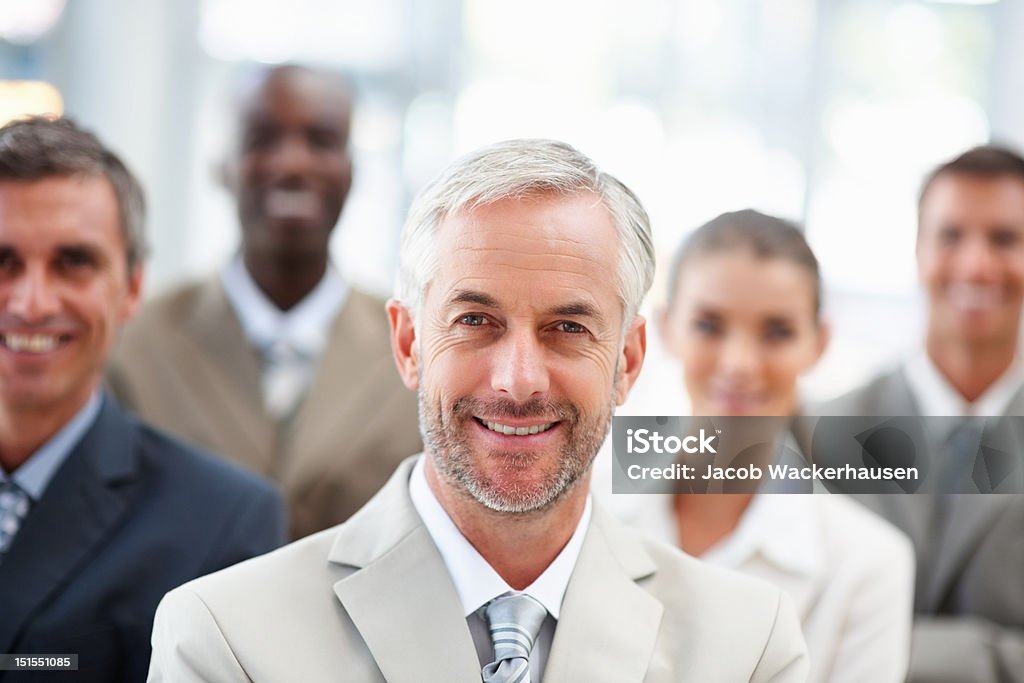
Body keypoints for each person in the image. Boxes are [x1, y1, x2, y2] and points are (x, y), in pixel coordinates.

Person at [147, 139, 809, 682]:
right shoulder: (224, 637)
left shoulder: (749, 647)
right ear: (408, 344)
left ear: (629, 362)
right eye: (476, 320)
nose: (518, 380)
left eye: (568, 327)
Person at [0, 117, 285, 682]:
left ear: (132, 287)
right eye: (3, 262)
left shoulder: (224, 523)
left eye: (73, 262)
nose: (31, 303)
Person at [108, 64, 421, 539]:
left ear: (351, 171)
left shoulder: (418, 349)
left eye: (321, 140)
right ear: (221, 166)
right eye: (262, 139)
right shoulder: (134, 345)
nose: (293, 164)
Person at [609, 210, 913, 683]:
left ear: (819, 342)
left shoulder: (868, 566)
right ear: (665, 329)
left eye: (777, 332)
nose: (740, 363)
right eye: (709, 325)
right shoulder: (588, 508)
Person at [824, 146, 1024, 682]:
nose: (976, 265)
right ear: (917, 250)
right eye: (951, 236)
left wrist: (875, 648)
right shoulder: (820, 429)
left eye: (1005, 239)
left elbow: (828, 639)